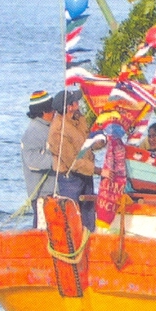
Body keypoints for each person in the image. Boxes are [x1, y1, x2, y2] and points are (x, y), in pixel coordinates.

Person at [47, 89, 101, 231]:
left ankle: (89, 244)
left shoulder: (79, 118)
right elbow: (73, 163)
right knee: (72, 219)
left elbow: (89, 141)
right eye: (76, 101)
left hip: (86, 175)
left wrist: (101, 139)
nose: (79, 103)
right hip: (69, 178)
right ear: (69, 107)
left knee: (89, 216)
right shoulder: (57, 131)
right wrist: (99, 171)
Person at [20, 90, 56, 228]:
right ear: (42, 112)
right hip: (42, 195)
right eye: (51, 109)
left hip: (52, 193)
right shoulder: (33, 132)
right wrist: (56, 161)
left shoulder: (48, 127)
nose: (54, 112)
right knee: (42, 231)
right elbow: (32, 160)